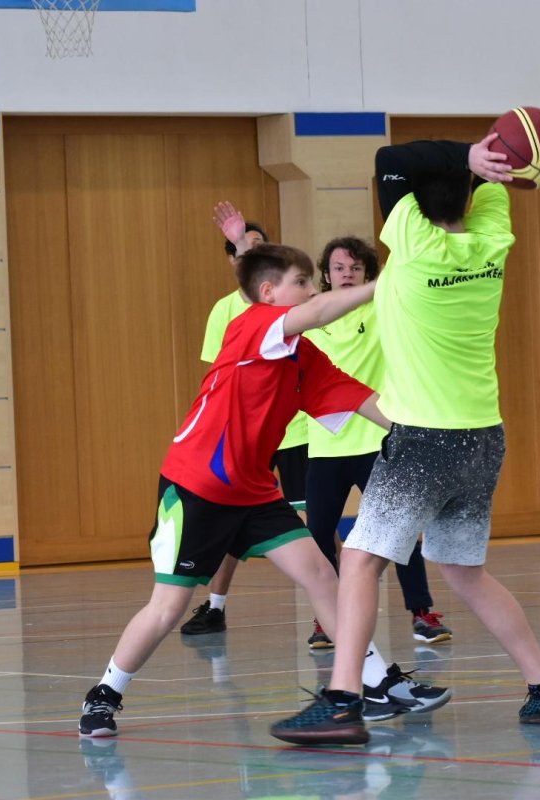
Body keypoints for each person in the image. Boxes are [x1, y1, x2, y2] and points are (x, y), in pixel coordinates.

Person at [270, 135, 540, 745]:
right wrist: (488, 164)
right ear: (471, 198)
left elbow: (390, 160)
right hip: (483, 438)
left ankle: (342, 701)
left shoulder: (413, 243)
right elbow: (485, 184)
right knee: (463, 571)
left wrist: (470, 154)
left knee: (359, 561)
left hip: (423, 439)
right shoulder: (492, 236)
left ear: (409, 208)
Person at [80, 221, 449, 740]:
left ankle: (376, 681)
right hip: (198, 488)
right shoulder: (252, 326)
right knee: (169, 607)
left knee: (323, 576)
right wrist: (388, 283)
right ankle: (104, 694)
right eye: (303, 282)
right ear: (270, 293)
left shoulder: (303, 356)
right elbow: (320, 312)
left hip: (254, 491)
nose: (313, 291)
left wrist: (419, 436)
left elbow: (361, 398)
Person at [300, 236, 451, 650]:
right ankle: (324, 620)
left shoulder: (383, 307)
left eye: (355, 268)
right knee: (318, 536)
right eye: (338, 268)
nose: (347, 274)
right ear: (326, 274)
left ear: (368, 273)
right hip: (326, 446)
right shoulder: (311, 316)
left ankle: (421, 613)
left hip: (377, 441)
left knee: (400, 529)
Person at [180, 219, 310, 637]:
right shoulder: (226, 310)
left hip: (295, 432)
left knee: (310, 526)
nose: (252, 252)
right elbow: (216, 376)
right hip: (244, 441)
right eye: (243, 247)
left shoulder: (296, 307)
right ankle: (215, 606)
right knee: (230, 523)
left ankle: (328, 613)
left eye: (259, 246)